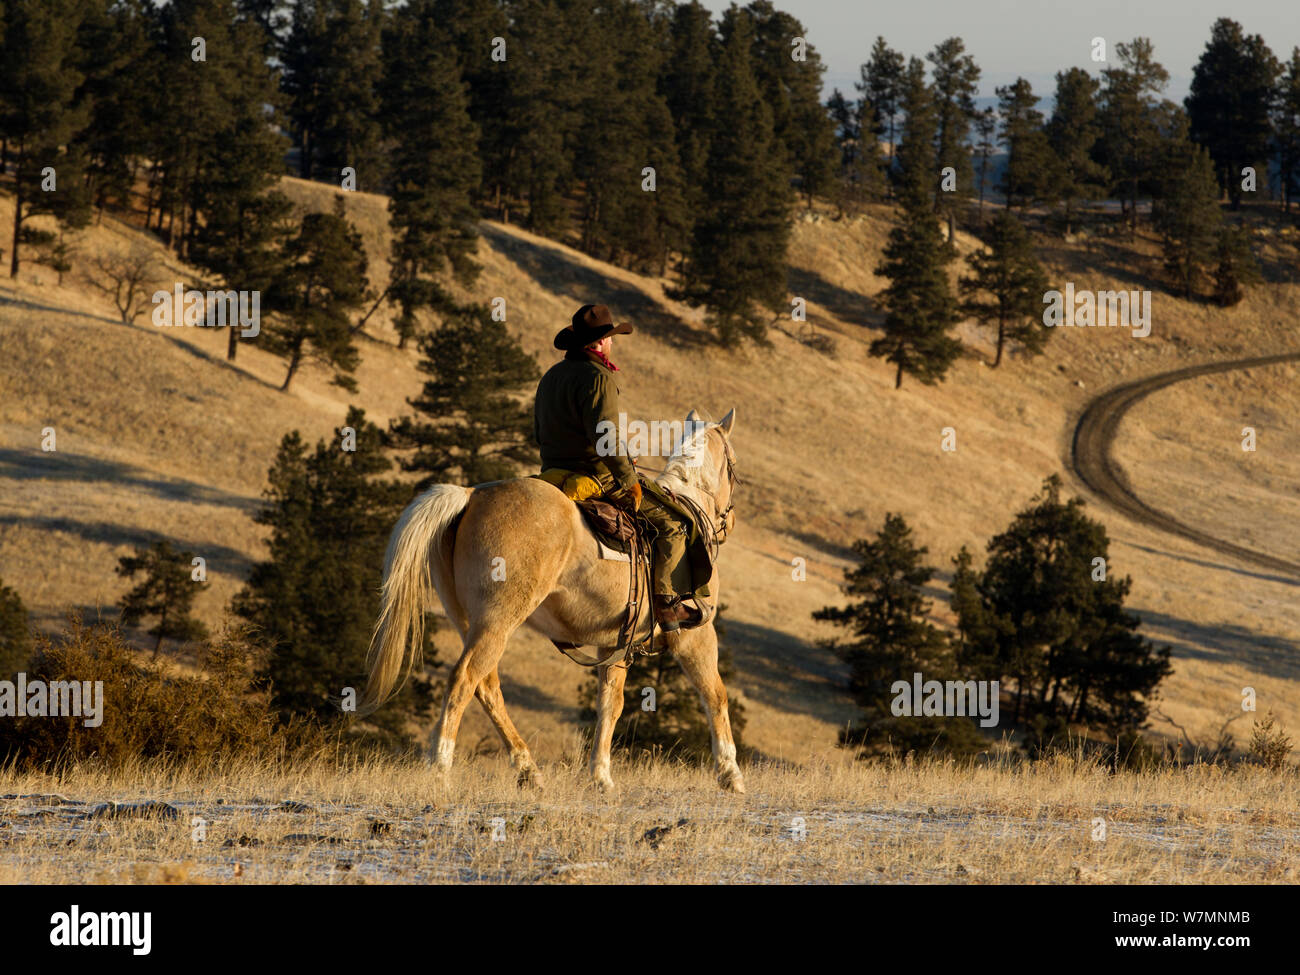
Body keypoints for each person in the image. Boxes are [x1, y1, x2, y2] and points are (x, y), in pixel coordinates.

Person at [534, 303, 703, 631]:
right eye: (610, 338)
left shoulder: (551, 376)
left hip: (551, 473)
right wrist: (628, 479)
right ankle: (668, 607)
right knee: (673, 522)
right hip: (592, 476)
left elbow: (540, 433)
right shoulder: (598, 377)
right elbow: (604, 439)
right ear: (599, 344)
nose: (612, 343)